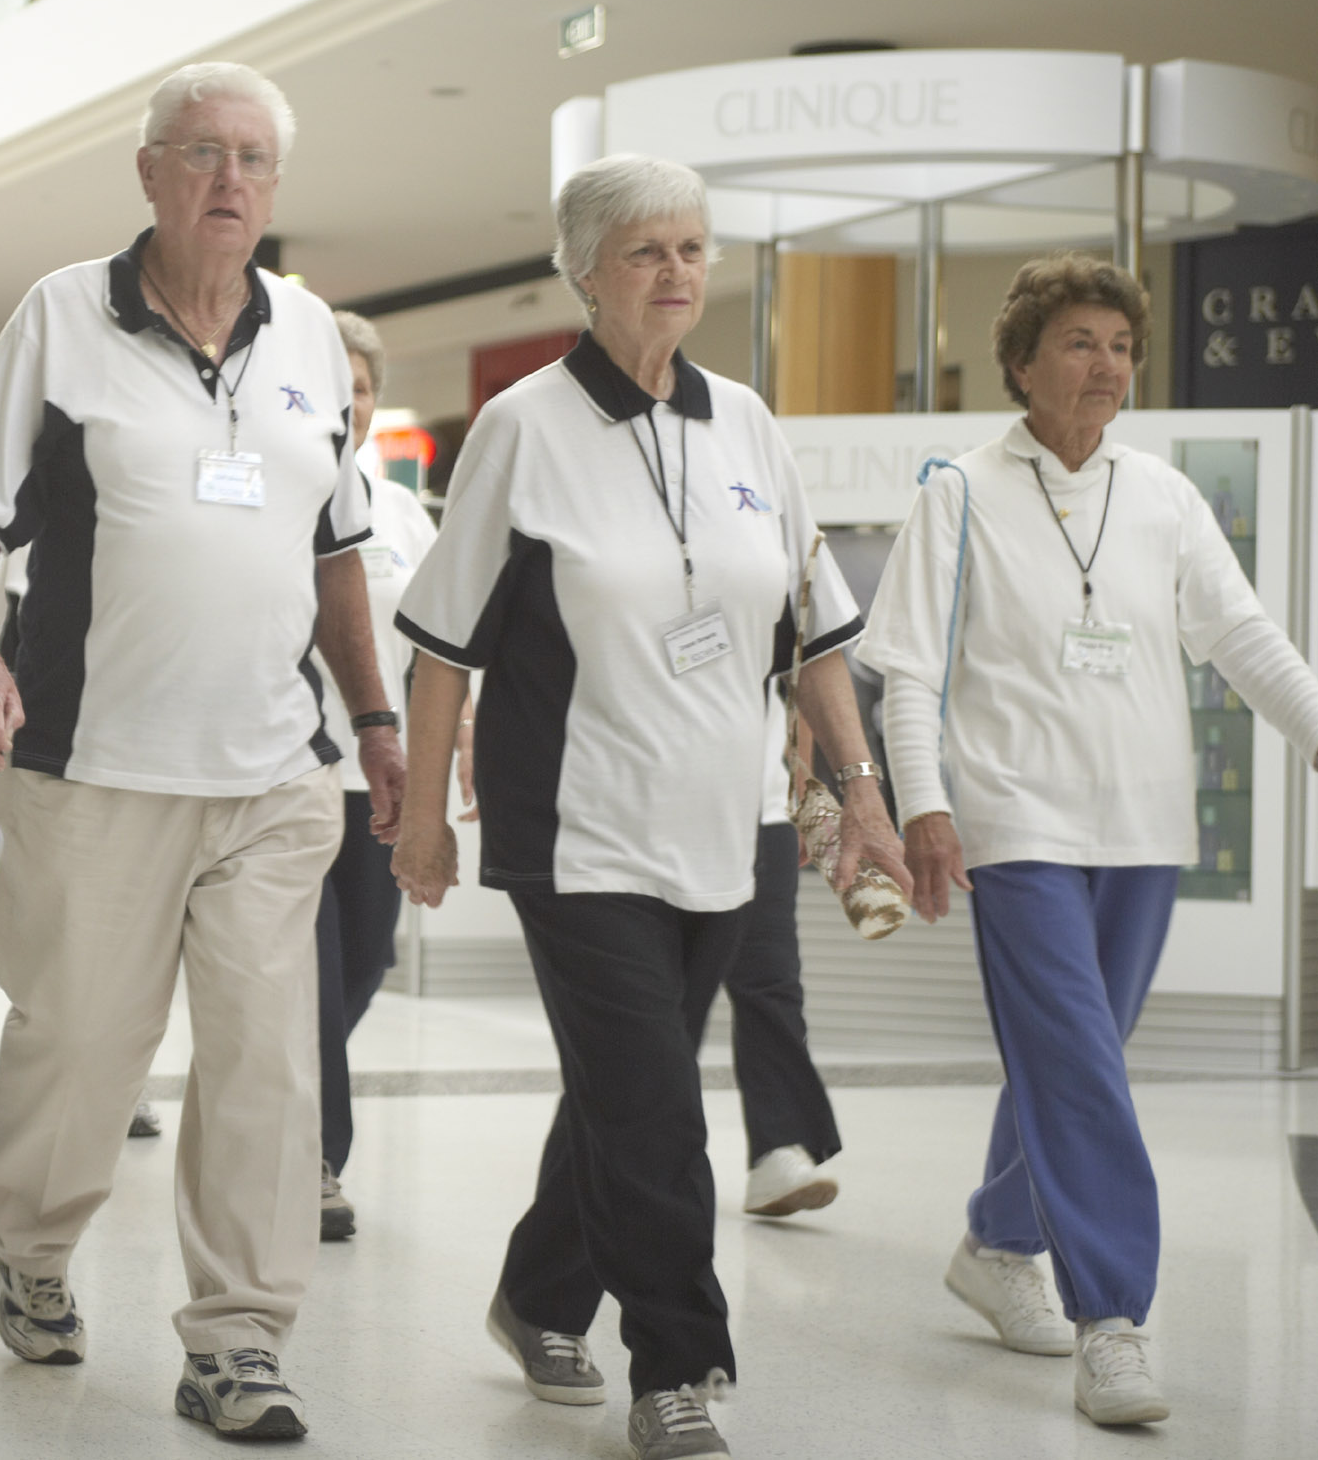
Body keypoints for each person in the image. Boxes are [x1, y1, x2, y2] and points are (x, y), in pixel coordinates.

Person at [389, 153, 909, 1460]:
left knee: (628, 1092)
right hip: (575, 826)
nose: (676, 273)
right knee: (656, 1109)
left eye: (691, 248)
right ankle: (675, 1361)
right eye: (644, 251)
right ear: (584, 270)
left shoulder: (746, 423)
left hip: (724, 824)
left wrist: (860, 792)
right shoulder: (520, 426)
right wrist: (419, 811)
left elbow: (814, 633)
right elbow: (444, 645)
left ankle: (538, 1288)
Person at [0, 62, 400, 1442]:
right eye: (199, 153)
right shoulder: (60, 317)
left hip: (271, 770)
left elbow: (337, 549)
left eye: (252, 157)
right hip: (93, 760)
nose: (228, 180)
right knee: (82, 1042)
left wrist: (372, 720)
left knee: (265, 1060)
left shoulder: (310, 332)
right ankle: (28, 1238)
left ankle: (239, 1336)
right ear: (146, 171)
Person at [859, 253, 1318, 1429]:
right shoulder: (958, 491)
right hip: (1016, 821)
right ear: (1020, 359)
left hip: (1144, 819)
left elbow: (1246, 636)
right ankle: (1110, 1316)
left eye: (1120, 343)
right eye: (1079, 340)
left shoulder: (1161, 495)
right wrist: (923, 802)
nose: (1106, 363)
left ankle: (997, 1236)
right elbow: (907, 666)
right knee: (1076, 1058)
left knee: (1082, 1053)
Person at [309, 309, 454, 1242]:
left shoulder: (402, 510)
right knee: (309, 973)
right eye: (328, 385)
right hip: (288, 768)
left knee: (366, 959)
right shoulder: (271, 494)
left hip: (382, 774)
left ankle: (278, 1089)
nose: (345, 403)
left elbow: (442, 647)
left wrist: (446, 757)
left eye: (357, 388)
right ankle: (316, 1157)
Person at [721, 688, 845, 1218]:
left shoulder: (796, 596)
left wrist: (800, 782)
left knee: (772, 980)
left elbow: (803, 666)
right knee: (660, 994)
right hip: (654, 811)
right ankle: (638, 1154)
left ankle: (779, 1148)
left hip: (763, 805)